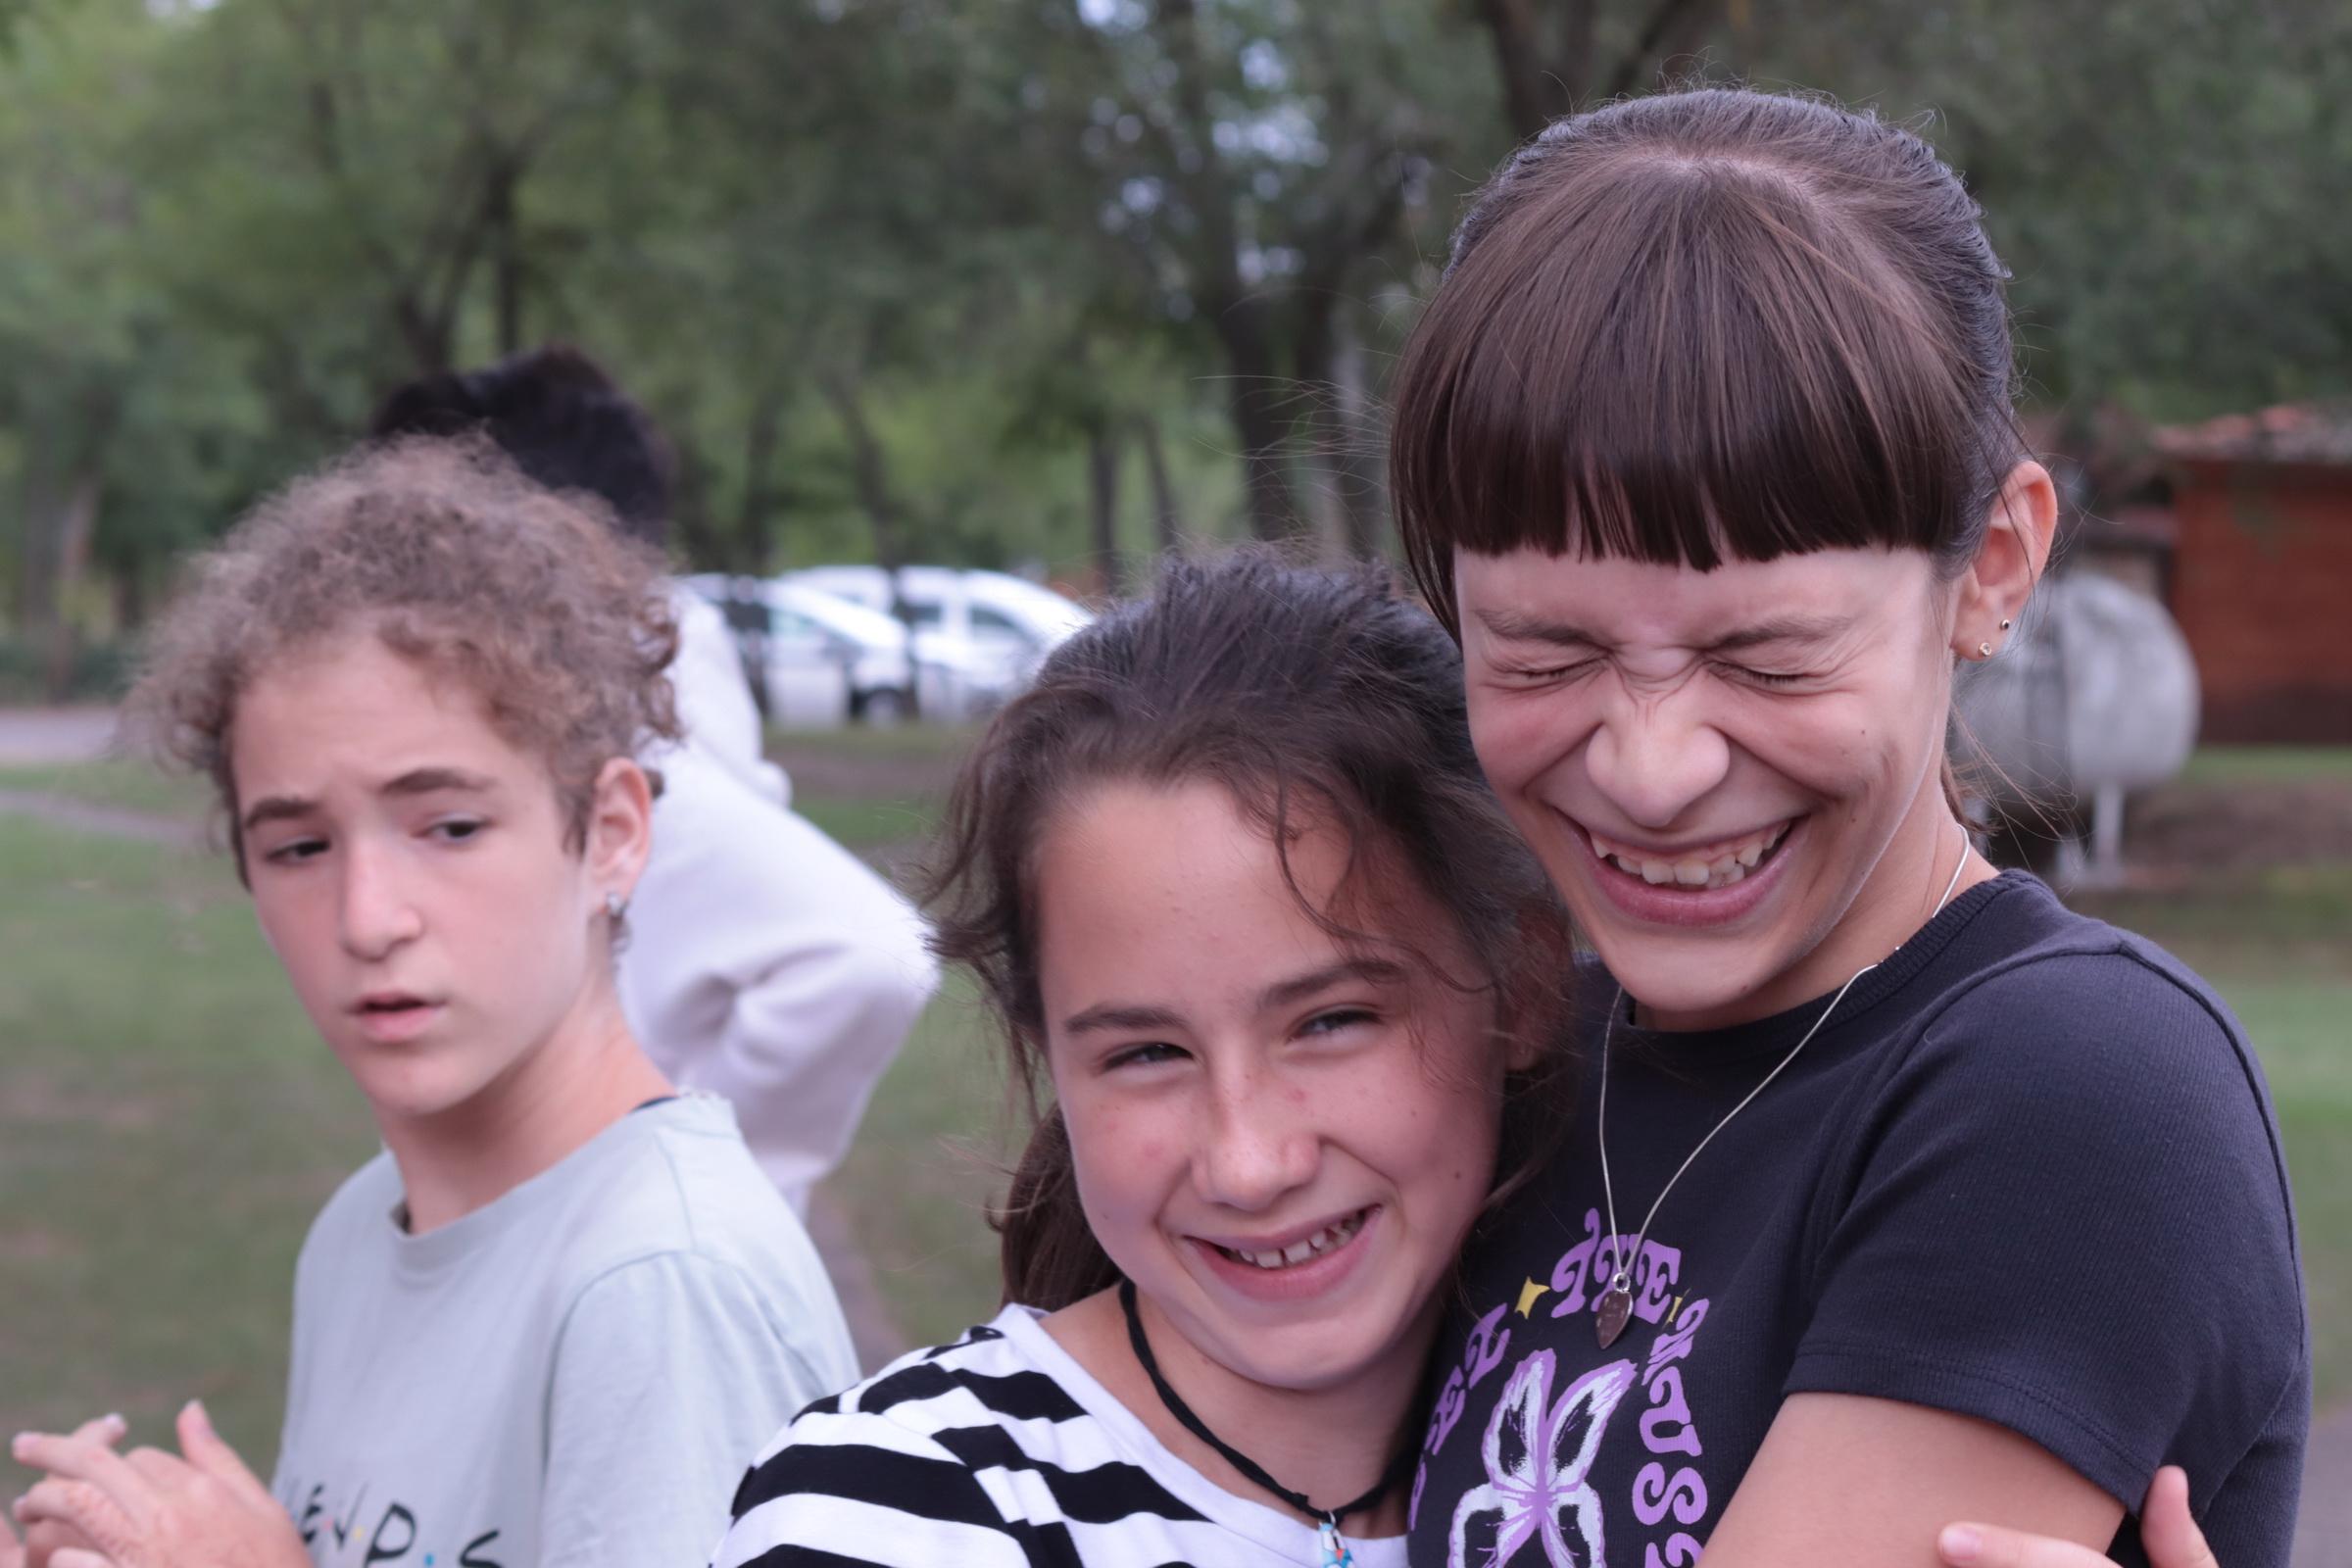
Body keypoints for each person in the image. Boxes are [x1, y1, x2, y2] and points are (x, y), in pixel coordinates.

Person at [1385, 88, 2306, 1565]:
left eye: (1768, 658)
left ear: (1992, 568)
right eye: (1544, 654)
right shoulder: (1504, 1059)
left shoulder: (2075, 1089)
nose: (1652, 770)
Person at [5, 439, 858, 1568]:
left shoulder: (659, 1281)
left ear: (611, 833)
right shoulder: (361, 1231)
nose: (368, 918)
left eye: (449, 826)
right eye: (300, 846)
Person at [710, 552, 1583, 1568]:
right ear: (1049, 1056)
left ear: (1524, 986)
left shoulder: (1630, 1474)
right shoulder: (894, 1513)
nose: (1248, 1164)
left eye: (1330, 1022)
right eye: (1149, 1052)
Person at [370, 346, 938, 1215]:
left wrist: (666, 1177)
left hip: (598, 1250)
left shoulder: (626, 762)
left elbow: (870, 954)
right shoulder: (624, 714)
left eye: (406, 554)